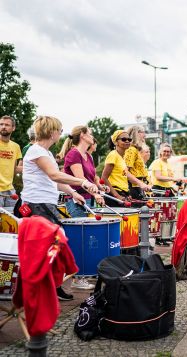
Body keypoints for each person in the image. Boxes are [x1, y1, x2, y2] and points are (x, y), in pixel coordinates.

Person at [21, 116, 98, 300]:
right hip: (37, 204)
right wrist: (82, 182)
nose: (61, 133)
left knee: (55, 244)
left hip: (45, 204)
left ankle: (50, 283)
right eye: (60, 130)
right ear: (51, 131)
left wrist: (74, 193)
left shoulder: (46, 153)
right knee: (55, 242)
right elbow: (54, 175)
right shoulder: (35, 151)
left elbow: (55, 181)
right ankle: (43, 284)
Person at [59, 125, 106, 218]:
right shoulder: (73, 154)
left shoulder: (88, 156)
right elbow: (80, 179)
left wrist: (99, 188)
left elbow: (90, 179)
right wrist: (95, 194)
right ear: (82, 135)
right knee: (82, 232)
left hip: (89, 198)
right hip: (77, 201)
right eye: (90, 134)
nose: (92, 137)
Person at [101, 129, 149, 206]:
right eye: (123, 139)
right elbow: (104, 178)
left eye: (129, 139)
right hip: (114, 194)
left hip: (123, 193)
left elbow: (123, 177)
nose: (127, 141)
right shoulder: (113, 155)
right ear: (116, 142)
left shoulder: (122, 157)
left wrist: (127, 194)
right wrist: (117, 196)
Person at [0, 115, 22, 207]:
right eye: (1, 124)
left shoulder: (16, 147)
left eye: (7, 125)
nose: (3, 127)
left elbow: (15, 169)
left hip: (10, 190)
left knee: (11, 219)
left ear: (13, 128)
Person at [124, 125, 151, 199]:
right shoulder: (131, 150)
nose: (145, 135)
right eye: (143, 132)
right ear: (136, 133)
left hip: (137, 187)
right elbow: (125, 171)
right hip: (132, 188)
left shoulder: (135, 150)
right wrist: (140, 183)